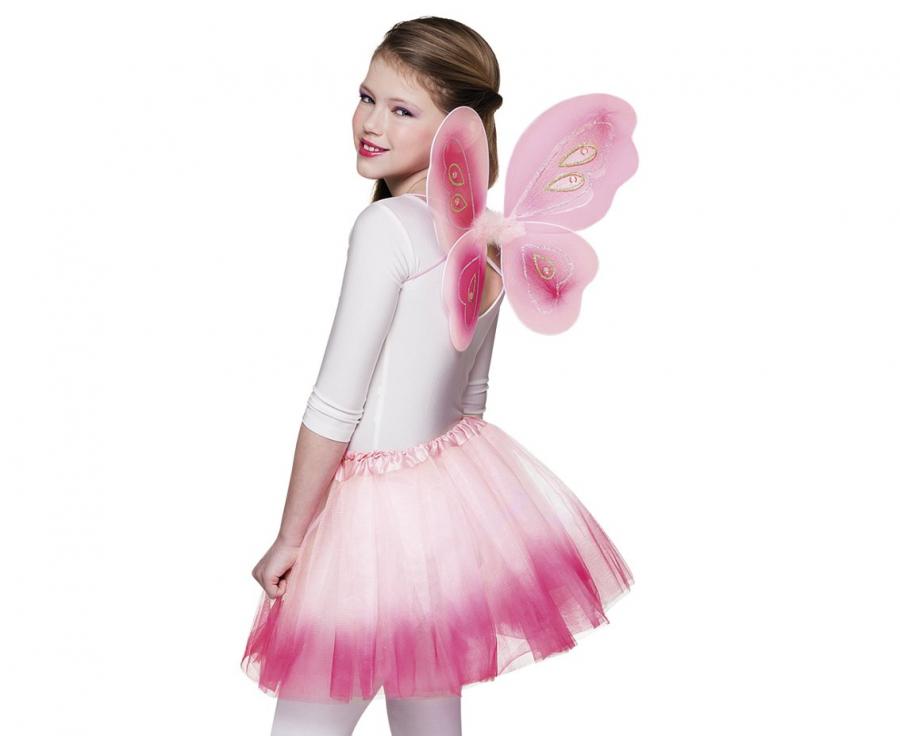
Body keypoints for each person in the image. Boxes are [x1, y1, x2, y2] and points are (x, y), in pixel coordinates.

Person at [241, 17, 635, 736]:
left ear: (458, 128)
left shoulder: (387, 228)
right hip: (442, 518)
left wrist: (291, 538)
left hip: (366, 525)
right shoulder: (490, 237)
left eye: (402, 110)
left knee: (306, 725)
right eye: (367, 97)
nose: (371, 123)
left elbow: (336, 404)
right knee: (427, 717)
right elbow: (469, 401)